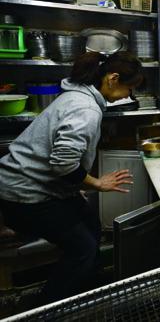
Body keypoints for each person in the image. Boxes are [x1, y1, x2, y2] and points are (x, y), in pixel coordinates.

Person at [0, 52, 144, 304]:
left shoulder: (78, 95)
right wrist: (97, 183)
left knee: (90, 223)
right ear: (113, 79)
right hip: (25, 193)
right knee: (82, 248)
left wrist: (72, 188)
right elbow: (63, 163)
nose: (127, 97)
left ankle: (87, 283)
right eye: (128, 90)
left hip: (44, 186)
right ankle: (48, 307)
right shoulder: (85, 109)